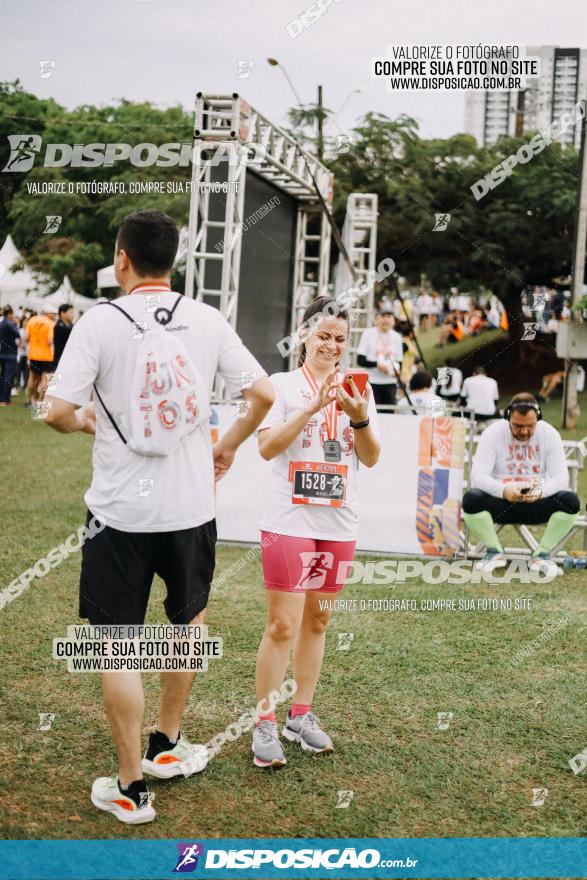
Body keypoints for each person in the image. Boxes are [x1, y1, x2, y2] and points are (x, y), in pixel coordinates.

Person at [44, 209, 275, 823]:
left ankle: (129, 788)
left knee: (116, 647)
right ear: (174, 261)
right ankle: (167, 746)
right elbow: (264, 396)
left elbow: (55, 410)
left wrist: (86, 420)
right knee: (188, 621)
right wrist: (227, 446)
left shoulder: (99, 321)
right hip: (191, 508)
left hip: (118, 513)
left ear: (121, 258)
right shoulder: (206, 318)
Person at [252, 295, 380, 768]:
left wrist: (358, 415)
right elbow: (267, 448)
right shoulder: (282, 386)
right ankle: (265, 721)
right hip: (288, 520)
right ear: (304, 334)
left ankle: (300, 715)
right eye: (323, 335)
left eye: (340, 339)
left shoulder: (356, 389)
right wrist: (309, 408)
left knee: (318, 621)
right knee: (282, 623)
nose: (331, 345)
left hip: (338, 522)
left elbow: (369, 457)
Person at [462, 393, 580, 575]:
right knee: (471, 500)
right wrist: (504, 491)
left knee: (571, 501)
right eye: (517, 426)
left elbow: (560, 477)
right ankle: (494, 552)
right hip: (502, 503)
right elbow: (477, 476)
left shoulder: (549, 433)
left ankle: (542, 554)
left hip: (536, 503)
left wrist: (540, 491)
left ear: (538, 418)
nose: (524, 431)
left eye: (530, 426)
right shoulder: (492, 433)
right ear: (507, 417)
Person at [356, 304, 403, 410]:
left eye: (389, 316)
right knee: (371, 413)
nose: (385, 320)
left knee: (388, 414)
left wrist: (394, 370)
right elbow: (360, 360)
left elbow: (400, 362)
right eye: (383, 316)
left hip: (390, 383)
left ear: (393, 320)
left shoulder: (397, 337)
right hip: (372, 382)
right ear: (377, 318)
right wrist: (377, 365)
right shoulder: (368, 334)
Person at [25, 304, 55, 408]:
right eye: (52, 313)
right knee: (44, 379)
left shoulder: (31, 320)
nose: (54, 315)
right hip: (46, 356)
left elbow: (26, 338)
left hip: (33, 354)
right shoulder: (50, 323)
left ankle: (29, 400)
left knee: (32, 377)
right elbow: (50, 341)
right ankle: (39, 401)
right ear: (47, 313)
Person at [0, 306, 20, 406]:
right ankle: (5, 400)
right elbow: (18, 334)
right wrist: (16, 325)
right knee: (8, 377)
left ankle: (1, 398)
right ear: (9, 314)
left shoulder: (1, 323)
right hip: (10, 354)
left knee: (3, 376)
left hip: (2, 353)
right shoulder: (9, 323)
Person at [52, 303, 74, 367]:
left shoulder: (71, 326)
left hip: (68, 360)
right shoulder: (59, 327)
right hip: (59, 360)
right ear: (62, 313)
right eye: (70, 312)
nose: (73, 315)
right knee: (58, 377)